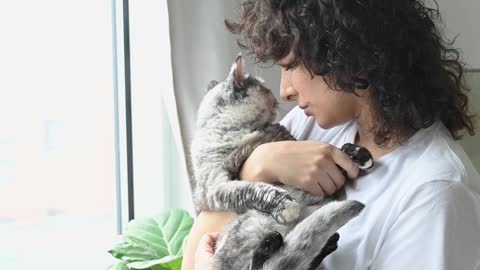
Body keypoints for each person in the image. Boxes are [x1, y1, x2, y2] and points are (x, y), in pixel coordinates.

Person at [182, 0, 480, 269]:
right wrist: (260, 166)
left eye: (290, 67)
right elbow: (192, 258)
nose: (285, 91)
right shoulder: (309, 126)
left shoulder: (435, 193)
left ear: (346, 54)